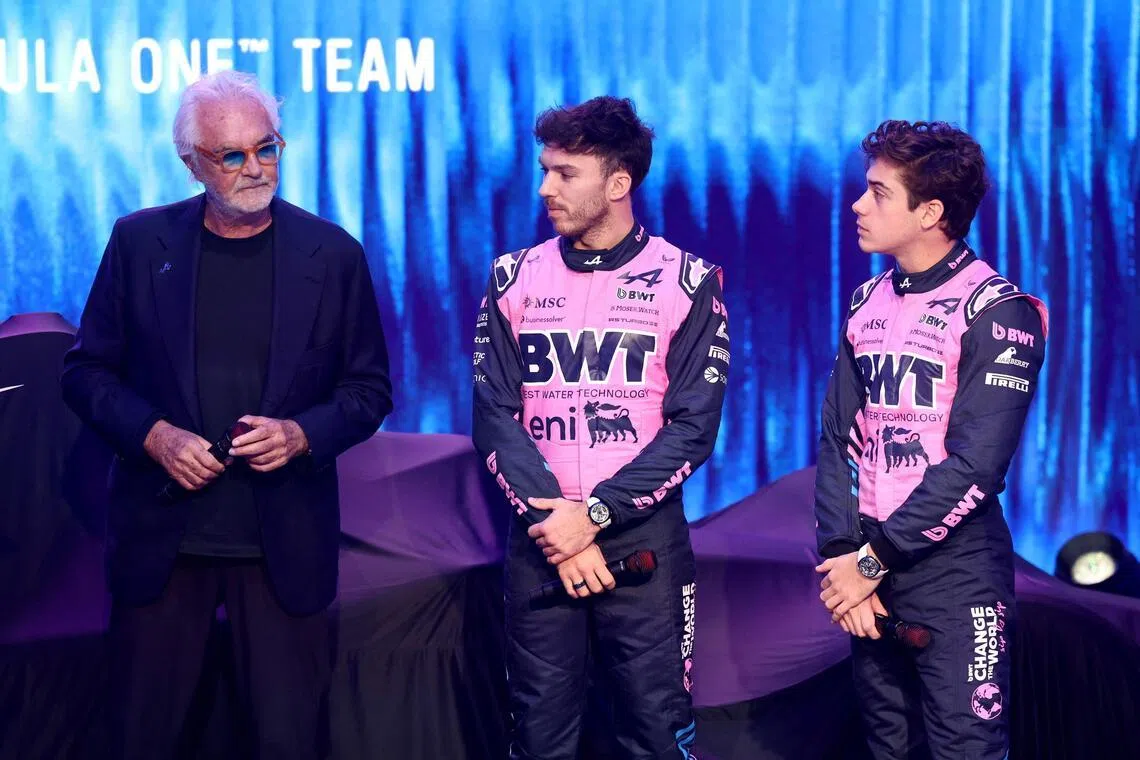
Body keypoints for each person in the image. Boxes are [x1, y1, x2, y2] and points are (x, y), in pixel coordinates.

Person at [61, 70, 392, 759]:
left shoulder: (333, 256)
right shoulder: (137, 243)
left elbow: (369, 392)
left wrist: (303, 435)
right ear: (191, 163)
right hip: (163, 545)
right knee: (139, 741)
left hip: (282, 549)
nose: (254, 168)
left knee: (288, 742)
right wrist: (153, 435)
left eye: (265, 148)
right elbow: (85, 372)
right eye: (231, 155)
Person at [472, 96, 729, 759]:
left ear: (619, 184)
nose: (544, 188)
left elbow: (693, 430)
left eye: (564, 173)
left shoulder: (688, 280)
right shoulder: (513, 278)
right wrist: (558, 522)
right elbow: (495, 415)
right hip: (541, 536)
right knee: (538, 736)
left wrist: (593, 516)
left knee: (657, 734)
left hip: (644, 542)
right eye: (544, 170)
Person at [814, 120, 1048, 759]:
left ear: (932, 212)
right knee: (888, 747)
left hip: (954, 573)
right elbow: (837, 439)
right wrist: (842, 558)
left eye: (878, 192)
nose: (858, 205)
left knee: (965, 750)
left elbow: (978, 465)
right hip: (867, 565)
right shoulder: (866, 300)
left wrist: (868, 564)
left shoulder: (998, 309)